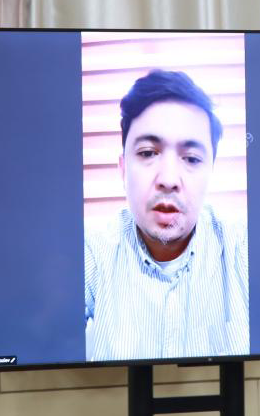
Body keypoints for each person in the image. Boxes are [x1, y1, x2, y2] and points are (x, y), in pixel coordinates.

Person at [84, 69, 249, 361]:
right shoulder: (92, 252)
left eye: (192, 158)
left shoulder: (243, 248)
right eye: (148, 153)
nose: (169, 179)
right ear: (123, 168)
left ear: (211, 171)